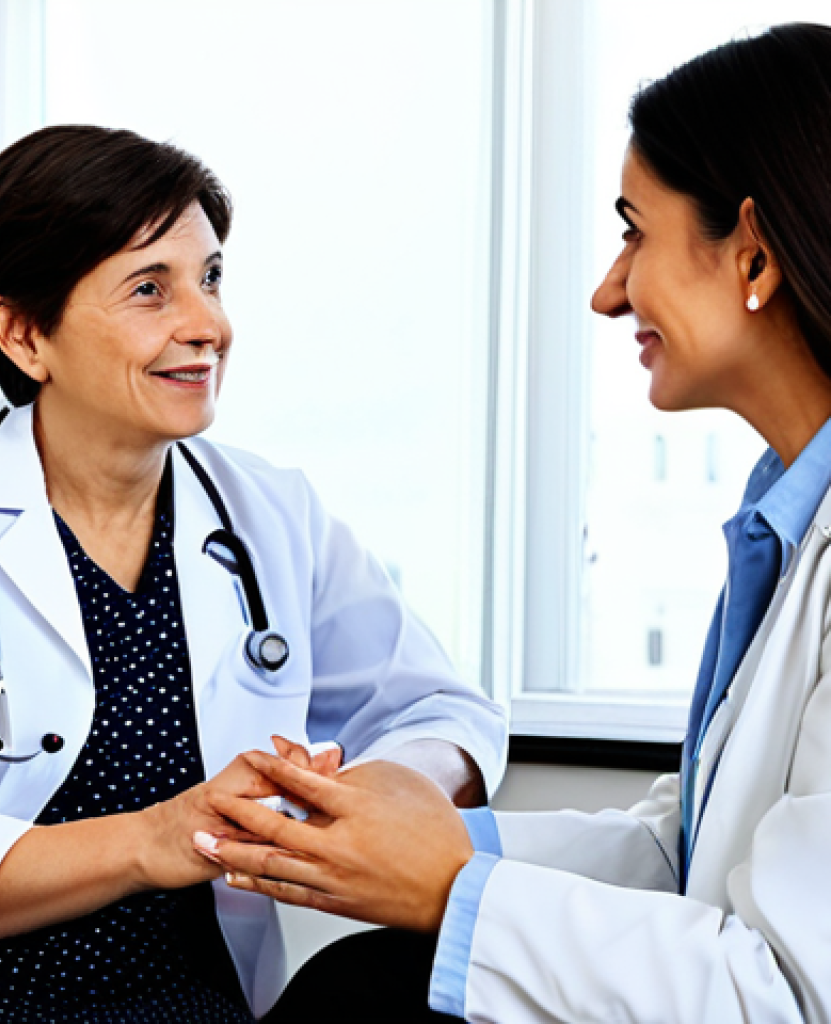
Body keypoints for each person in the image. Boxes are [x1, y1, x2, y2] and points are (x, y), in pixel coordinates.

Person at [199, 22, 831, 1024]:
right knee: (358, 984)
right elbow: (699, 849)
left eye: (634, 230)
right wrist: (453, 844)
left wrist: (448, 887)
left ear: (750, 252)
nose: (607, 290)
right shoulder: (783, 520)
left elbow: (783, 993)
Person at [0, 125, 507, 1024]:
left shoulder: (271, 514)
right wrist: (153, 840)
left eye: (211, 278)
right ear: (22, 333)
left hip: (193, 1000)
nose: (208, 325)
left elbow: (445, 713)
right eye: (150, 289)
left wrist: (359, 793)